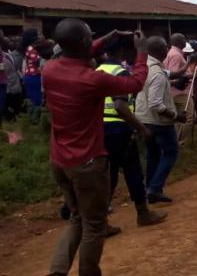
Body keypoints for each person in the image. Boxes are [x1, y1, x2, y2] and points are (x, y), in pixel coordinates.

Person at [42, 19, 149, 276]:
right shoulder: (93, 80)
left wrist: (107, 37)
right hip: (88, 163)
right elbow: (135, 83)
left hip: (60, 160)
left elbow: (76, 53)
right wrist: (142, 52)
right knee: (94, 225)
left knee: (78, 218)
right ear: (83, 43)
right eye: (89, 38)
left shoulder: (50, 70)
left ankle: (57, 271)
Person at [97, 39, 167, 229]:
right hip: (119, 129)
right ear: (120, 51)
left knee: (110, 174)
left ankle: (102, 220)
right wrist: (141, 128)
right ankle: (142, 213)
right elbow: (120, 105)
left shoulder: (97, 70)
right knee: (132, 171)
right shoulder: (120, 72)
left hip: (100, 128)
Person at [136, 36, 187, 204]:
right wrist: (175, 116)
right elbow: (156, 103)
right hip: (158, 121)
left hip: (144, 119)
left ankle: (149, 189)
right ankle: (155, 188)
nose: (168, 50)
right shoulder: (157, 73)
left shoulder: (146, 66)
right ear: (160, 51)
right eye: (165, 47)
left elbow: (169, 75)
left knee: (153, 154)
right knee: (171, 152)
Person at [164, 34, 194, 148]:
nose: (185, 42)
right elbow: (174, 74)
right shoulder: (176, 55)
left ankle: (174, 143)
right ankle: (179, 144)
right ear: (179, 42)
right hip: (179, 93)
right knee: (188, 118)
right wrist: (189, 76)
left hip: (176, 92)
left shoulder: (172, 53)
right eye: (184, 40)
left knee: (178, 118)